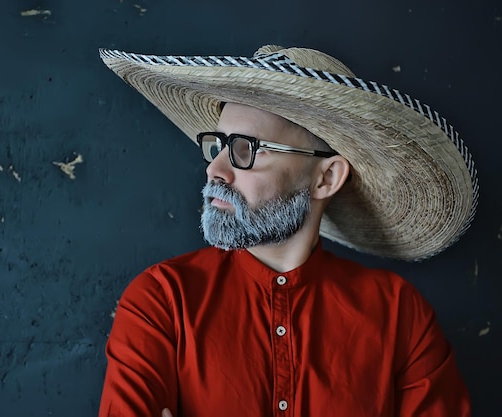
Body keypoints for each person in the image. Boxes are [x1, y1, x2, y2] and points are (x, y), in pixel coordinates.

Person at [97, 44, 477, 416]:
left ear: (326, 178)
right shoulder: (162, 301)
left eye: (248, 148)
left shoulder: (399, 315)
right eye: (219, 146)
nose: (216, 171)